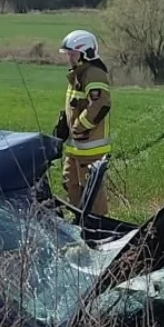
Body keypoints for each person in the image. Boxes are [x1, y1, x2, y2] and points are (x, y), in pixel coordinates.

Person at [52, 29, 112, 217]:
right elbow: (75, 105)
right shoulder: (77, 74)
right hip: (75, 146)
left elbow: (101, 104)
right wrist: (64, 124)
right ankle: (80, 222)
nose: (69, 57)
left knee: (91, 191)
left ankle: (98, 225)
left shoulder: (94, 74)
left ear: (87, 53)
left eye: (73, 54)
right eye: (68, 54)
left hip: (89, 148)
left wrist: (78, 126)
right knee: (70, 184)